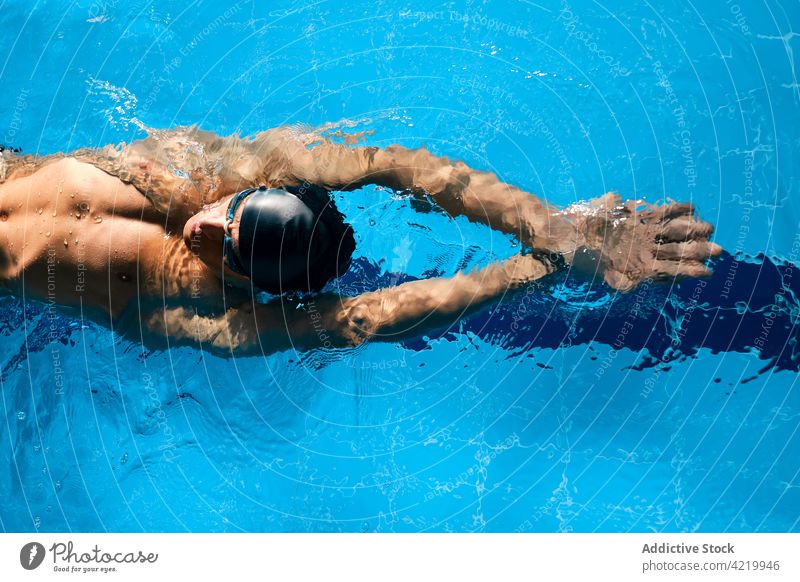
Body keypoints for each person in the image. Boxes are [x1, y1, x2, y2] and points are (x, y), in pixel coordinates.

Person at [0, 126, 721, 356]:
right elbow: (391, 165)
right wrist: (555, 228)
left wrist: (543, 269)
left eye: (230, 240)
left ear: (252, 279)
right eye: (234, 210)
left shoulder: (212, 316)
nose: (207, 222)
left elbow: (367, 316)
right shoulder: (221, 174)